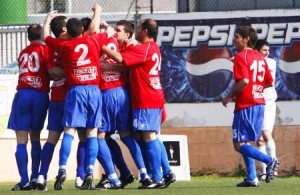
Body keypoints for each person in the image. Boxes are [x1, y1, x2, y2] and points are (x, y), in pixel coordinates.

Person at [43, 4, 119, 190]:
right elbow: (107, 31)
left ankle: (62, 168)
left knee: (69, 131)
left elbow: (45, 37)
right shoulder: (94, 40)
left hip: (75, 90)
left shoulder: (64, 45)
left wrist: (47, 20)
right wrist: (98, 12)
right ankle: (90, 172)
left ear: (67, 32)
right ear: (83, 31)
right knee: (92, 133)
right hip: (93, 91)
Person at [102, 19, 166, 189]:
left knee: (149, 136)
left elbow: (120, 57)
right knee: (145, 136)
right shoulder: (153, 48)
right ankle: (160, 174)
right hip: (151, 97)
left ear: (144, 31)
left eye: (138, 28)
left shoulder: (143, 49)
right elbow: (125, 64)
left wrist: (100, 45)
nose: (136, 30)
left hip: (146, 98)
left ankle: (157, 177)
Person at [222, 26, 279, 187]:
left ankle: (269, 161)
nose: (234, 39)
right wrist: (255, 88)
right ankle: (252, 177)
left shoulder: (241, 56)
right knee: (245, 142)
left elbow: (244, 81)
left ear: (246, 39)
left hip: (246, 105)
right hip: (259, 104)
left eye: (237, 37)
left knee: (238, 144)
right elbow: (268, 82)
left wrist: (229, 96)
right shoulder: (260, 58)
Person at [8, 24, 50, 191]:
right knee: (36, 137)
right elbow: (50, 70)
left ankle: (24, 181)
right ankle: (34, 177)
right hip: (40, 95)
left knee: (21, 140)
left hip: (23, 94)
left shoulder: (23, 52)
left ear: (28, 37)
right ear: (43, 35)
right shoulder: (45, 50)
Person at [254, 40, 278, 181]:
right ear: (257, 51)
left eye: (268, 50)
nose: (267, 53)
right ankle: (264, 171)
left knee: (266, 133)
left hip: (268, 103)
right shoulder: (255, 61)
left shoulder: (270, 62)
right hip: (256, 102)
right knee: (258, 139)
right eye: (264, 50)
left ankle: (273, 165)